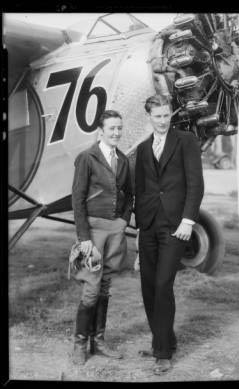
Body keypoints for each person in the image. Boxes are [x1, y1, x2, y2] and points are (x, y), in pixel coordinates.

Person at [134, 94, 204, 375]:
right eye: (157, 116)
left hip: (176, 226)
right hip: (149, 225)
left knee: (163, 284)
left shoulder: (186, 141)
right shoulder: (141, 149)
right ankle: (163, 340)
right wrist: (139, 232)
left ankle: (163, 354)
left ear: (171, 114)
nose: (163, 121)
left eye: (166, 115)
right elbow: (141, 191)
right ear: (149, 116)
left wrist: (188, 220)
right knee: (148, 287)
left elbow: (196, 184)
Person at [71, 110, 133, 365]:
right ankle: (79, 344)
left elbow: (129, 195)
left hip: (114, 230)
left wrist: (123, 221)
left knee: (105, 286)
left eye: (119, 128)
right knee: (91, 288)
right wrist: (84, 237)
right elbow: (77, 198)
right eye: (111, 128)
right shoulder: (87, 157)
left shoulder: (123, 160)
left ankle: (99, 342)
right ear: (101, 131)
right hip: (93, 232)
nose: (116, 132)